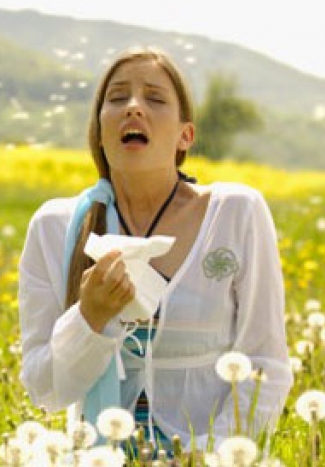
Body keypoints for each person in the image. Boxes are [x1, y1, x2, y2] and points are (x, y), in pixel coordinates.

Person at [17, 46, 293, 452]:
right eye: (117, 98)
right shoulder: (54, 227)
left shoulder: (236, 213)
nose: (133, 108)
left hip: (210, 456)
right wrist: (88, 319)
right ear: (99, 128)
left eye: (155, 98)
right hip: (100, 457)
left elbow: (265, 366)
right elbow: (45, 390)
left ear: (186, 135)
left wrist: (212, 458)